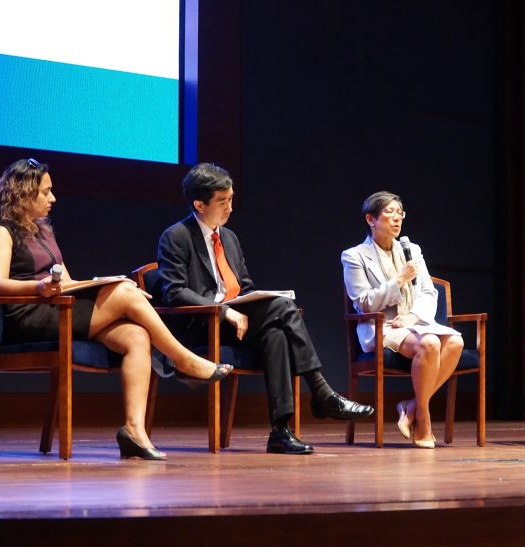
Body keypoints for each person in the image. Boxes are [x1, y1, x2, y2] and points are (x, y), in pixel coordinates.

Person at [0, 158, 232, 461]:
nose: (53, 198)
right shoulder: (3, 232)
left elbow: (66, 281)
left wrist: (92, 284)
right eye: (46, 192)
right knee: (126, 292)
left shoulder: (43, 231)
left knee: (136, 336)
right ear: (24, 194)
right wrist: (36, 288)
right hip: (28, 318)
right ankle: (183, 360)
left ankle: (134, 431)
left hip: (59, 310)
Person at [156, 163, 374, 455]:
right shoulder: (176, 236)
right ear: (199, 204)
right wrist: (222, 310)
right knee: (283, 308)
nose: (230, 208)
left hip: (237, 324)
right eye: (223, 201)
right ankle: (321, 391)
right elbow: (174, 291)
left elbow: (244, 287)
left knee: (276, 335)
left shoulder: (229, 238)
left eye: (232, 199)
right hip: (202, 325)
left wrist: (248, 302)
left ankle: (280, 431)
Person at [341, 191, 464, 449]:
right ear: (370, 219)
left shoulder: (412, 250)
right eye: (389, 213)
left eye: (400, 213)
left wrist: (412, 316)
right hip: (380, 326)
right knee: (430, 343)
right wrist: (398, 280)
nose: (397, 219)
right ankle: (425, 420)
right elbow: (363, 302)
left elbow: (429, 291)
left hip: (413, 322)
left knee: (455, 342)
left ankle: (411, 406)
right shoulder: (354, 256)